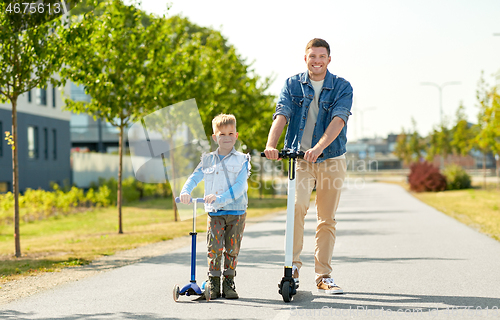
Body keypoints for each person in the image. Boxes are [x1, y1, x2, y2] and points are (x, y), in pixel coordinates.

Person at [264, 38, 352, 294]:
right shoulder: (292, 84)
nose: (317, 60)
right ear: (306, 58)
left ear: (329, 59)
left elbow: (338, 120)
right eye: (312, 56)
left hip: (332, 158)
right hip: (300, 159)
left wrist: (319, 148)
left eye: (321, 56)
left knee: (326, 219)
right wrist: (272, 144)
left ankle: (323, 275)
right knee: (296, 207)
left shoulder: (342, 86)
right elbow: (282, 114)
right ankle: (291, 267)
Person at [180, 113, 251, 299]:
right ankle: (213, 281)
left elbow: (239, 187)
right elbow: (194, 177)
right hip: (215, 213)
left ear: (236, 135)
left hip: (236, 212)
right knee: (214, 247)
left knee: (232, 249)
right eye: (222, 134)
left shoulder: (242, 160)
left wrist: (219, 198)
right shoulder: (207, 160)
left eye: (230, 134)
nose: (226, 138)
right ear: (214, 137)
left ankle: (228, 282)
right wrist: (185, 191)